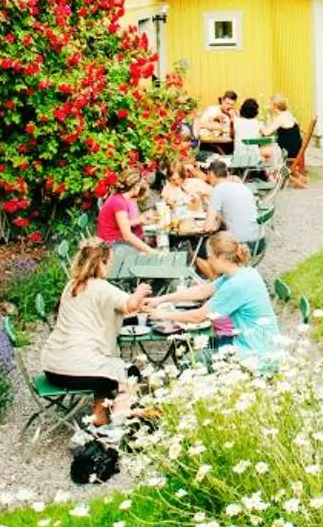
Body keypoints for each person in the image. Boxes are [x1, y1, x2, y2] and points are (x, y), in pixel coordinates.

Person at [40, 238, 151, 437]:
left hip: (52, 367)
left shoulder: (71, 286)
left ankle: (100, 417)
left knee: (107, 368)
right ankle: (117, 429)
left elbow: (97, 310)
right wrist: (141, 291)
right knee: (129, 372)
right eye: (109, 262)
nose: (111, 266)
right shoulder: (101, 286)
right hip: (79, 370)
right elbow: (131, 305)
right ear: (100, 262)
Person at [155, 232, 281, 368]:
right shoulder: (243, 272)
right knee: (193, 345)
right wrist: (160, 300)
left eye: (210, 257)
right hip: (252, 343)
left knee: (189, 359)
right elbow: (202, 291)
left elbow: (199, 316)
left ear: (221, 257)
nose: (208, 261)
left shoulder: (236, 284)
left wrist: (163, 315)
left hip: (254, 353)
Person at [96, 173, 156, 262]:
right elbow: (127, 235)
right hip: (111, 246)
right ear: (136, 187)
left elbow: (124, 224)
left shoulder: (118, 198)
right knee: (147, 257)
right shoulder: (119, 202)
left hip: (115, 241)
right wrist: (151, 252)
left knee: (148, 245)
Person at [203, 155, 261, 244]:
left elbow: (208, 227)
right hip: (258, 240)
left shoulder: (218, 190)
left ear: (211, 174)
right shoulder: (241, 186)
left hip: (240, 244)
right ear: (227, 173)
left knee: (203, 247)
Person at [268, 94, 308, 187]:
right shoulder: (288, 114)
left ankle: (272, 177)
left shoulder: (281, 118)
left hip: (288, 151)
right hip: (295, 148)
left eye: (270, 104)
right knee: (272, 149)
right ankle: (294, 176)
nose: (269, 106)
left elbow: (266, 132)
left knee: (268, 152)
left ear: (274, 105)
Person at [193, 92, 235, 158]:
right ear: (222, 101)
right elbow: (200, 124)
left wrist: (232, 118)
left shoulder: (232, 114)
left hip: (227, 145)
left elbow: (235, 131)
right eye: (227, 103)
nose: (229, 106)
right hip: (209, 145)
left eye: (231, 105)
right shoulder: (211, 110)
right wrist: (215, 119)